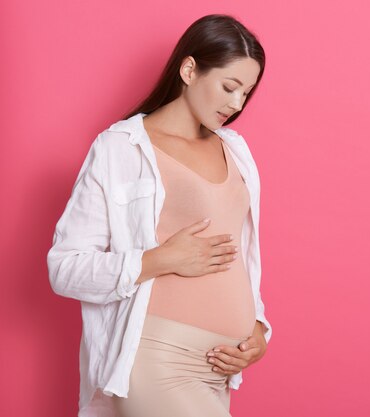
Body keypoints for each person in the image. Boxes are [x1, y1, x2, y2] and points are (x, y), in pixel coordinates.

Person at [46, 14, 272, 417]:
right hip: (158, 359)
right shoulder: (121, 148)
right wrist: (160, 259)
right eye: (229, 87)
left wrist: (256, 328)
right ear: (189, 69)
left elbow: (242, 256)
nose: (236, 104)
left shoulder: (237, 151)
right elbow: (65, 268)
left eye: (246, 93)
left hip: (218, 371)